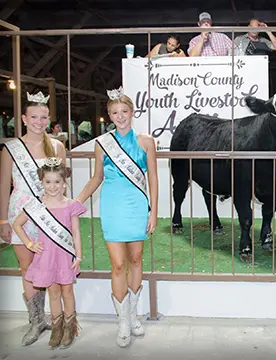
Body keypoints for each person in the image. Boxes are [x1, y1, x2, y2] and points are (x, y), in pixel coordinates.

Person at [76, 86, 158, 348]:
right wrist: (76, 202)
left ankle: (133, 315)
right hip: (112, 207)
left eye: (124, 111)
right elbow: (97, 178)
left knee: (136, 259)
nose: (120, 116)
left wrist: (154, 212)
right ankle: (122, 319)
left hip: (136, 206)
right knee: (118, 265)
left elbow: (153, 179)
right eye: (115, 112)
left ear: (132, 112)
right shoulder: (102, 144)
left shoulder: (146, 141)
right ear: (109, 115)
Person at [0, 91, 66, 346]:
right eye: (34, 117)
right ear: (24, 119)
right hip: (20, 214)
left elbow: (61, 186)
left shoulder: (57, 146)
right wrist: (3, 222)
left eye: (44, 117)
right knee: (27, 269)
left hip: (49, 215)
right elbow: (4, 184)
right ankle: (36, 321)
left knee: (50, 266)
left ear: (48, 119)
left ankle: (57, 319)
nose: (39, 122)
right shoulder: (11, 149)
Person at [13, 158, 86, 349]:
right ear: (42, 182)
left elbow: (76, 232)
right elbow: (17, 224)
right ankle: (57, 328)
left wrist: (78, 255)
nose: (52, 186)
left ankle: (70, 328)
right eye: (48, 182)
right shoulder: (36, 205)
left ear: (64, 183)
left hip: (65, 257)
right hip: (46, 257)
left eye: (57, 182)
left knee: (67, 291)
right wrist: (29, 243)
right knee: (53, 292)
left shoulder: (71, 204)